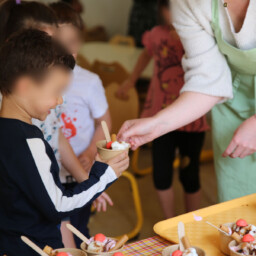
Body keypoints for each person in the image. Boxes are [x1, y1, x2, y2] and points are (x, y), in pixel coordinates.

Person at [0, 29, 129, 256]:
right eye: (57, 91)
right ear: (25, 85)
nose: (60, 101)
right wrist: (105, 174)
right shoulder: (30, 141)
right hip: (37, 249)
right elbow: (58, 205)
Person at [118, 0, 256, 203]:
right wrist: (157, 124)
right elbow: (207, 81)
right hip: (236, 101)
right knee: (239, 204)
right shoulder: (186, 3)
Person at [117, 0, 208, 218]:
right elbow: (144, 56)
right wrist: (130, 81)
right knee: (161, 174)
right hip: (159, 118)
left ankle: (191, 222)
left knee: (189, 175)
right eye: (170, 7)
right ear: (163, 10)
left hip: (191, 120)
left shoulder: (197, 35)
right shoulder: (156, 34)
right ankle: (170, 222)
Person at [50, 2, 112, 247]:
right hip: (51, 174)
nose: (66, 50)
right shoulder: (40, 83)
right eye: (58, 43)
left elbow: (104, 122)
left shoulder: (89, 81)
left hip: (80, 172)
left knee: (77, 228)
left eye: (72, 42)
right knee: (55, 230)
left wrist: (89, 152)